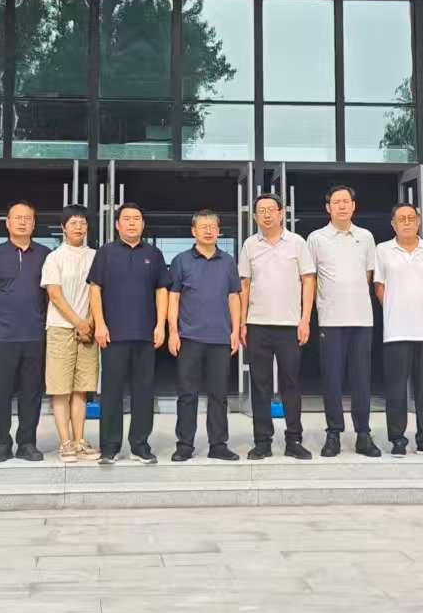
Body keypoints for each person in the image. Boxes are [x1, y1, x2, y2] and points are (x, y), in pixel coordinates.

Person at [90, 202, 168, 466]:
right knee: (111, 393)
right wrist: (100, 324)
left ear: (143, 224)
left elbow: (161, 290)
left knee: (144, 393)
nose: (132, 222)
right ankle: (109, 447)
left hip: (145, 334)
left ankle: (140, 445)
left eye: (137, 218)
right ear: (117, 224)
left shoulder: (154, 254)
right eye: (127, 218)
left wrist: (160, 325)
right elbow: (95, 289)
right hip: (113, 334)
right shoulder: (106, 253)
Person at [237, 193, 315, 461]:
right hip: (257, 324)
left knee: (291, 383)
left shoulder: (297, 243)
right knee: (260, 384)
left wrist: (305, 319)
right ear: (254, 216)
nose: (267, 214)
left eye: (272, 209)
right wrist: (242, 322)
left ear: (282, 213)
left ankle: (294, 439)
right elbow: (244, 284)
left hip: (289, 325)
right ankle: (262, 441)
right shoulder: (250, 244)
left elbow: (308, 280)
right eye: (261, 210)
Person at [307, 184, 380, 458]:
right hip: (330, 319)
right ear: (328, 208)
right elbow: (310, 277)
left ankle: (363, 434)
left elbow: (368, 275)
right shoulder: (316, 238)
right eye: (336, 202)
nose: (341, 206)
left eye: (346, 201)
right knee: (332, 379)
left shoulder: (366, 237)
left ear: (353, 206)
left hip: (361, 319)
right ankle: (334, 433)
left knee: (361, 378)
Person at [166, 209, 242, 462]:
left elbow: (234, 297)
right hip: (189, 338)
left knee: (219, 394)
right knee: (187, 394)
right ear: (194, 231)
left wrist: (235, 330)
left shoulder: (228, 261)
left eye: (213, 226)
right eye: (203, 226)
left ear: (219, 231)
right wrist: (173, 331)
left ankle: (218, 444)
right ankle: (184, 444)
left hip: (220, 338)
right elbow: (173, 297)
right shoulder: (181, 261)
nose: (208, 231)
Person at [372, 202, 423, 458]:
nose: (406, 222)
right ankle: (397, 439)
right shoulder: (383, 250)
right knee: (396, 389)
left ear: (419, 221)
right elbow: (379, 286)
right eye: (401, 218)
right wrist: (395, 306)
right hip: (395, 330)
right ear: (393, 224)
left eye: (411, 218)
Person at [0, 201, 48, 463]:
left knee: (31, 392)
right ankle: (2, 443)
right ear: (7, 223)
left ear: (34, 223)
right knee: (1, 392)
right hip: (4, 335)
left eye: (27, 218)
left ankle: (27, 443)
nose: (22, 222)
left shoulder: (45, 254)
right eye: (17, 218)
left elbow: (50, 292)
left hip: (35, 334)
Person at [42, 206, 100, 464]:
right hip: (60, 328)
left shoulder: (96, 256)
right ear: (63, 227)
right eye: (74, 222)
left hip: (88, 328)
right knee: (61, 389)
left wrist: (89, 323)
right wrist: (78, 322)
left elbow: (98, 293)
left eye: (83, 223)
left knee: (81, 389)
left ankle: (79, 440)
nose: (79, 227)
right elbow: (54, 294)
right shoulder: (54, 257)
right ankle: (65, 442)